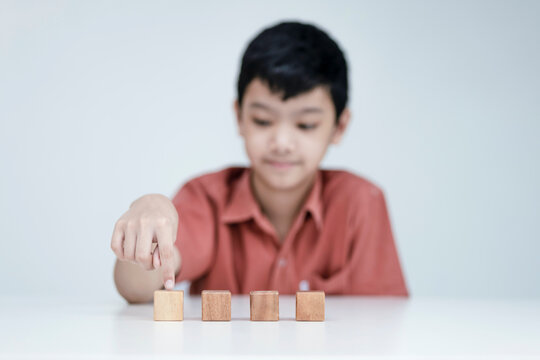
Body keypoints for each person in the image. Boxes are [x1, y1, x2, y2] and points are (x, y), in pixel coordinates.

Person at [110, 21, 408, 303]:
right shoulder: (206, 198)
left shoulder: (360, 202)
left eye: (305, 125)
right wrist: (148, 219)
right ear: (239, 117)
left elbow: (385, 318)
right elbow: (137, 290)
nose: (281, 143)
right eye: (263, 120)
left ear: (339, 127)